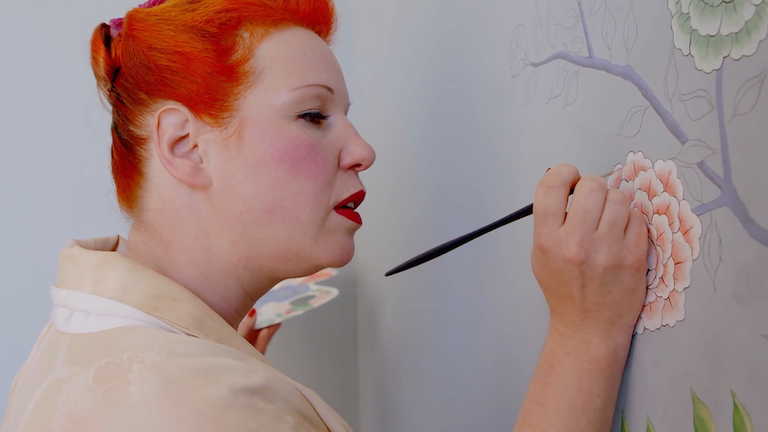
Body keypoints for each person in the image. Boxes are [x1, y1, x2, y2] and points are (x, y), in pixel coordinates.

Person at [0, 0, 648, 430]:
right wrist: (584, 333)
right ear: (184, 146)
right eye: (314, 115)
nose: (362, 150)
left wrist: (225, 359)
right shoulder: (202, 406)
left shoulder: (78, 337)